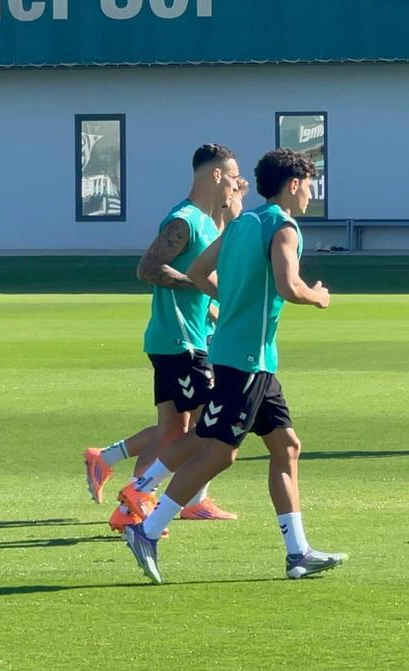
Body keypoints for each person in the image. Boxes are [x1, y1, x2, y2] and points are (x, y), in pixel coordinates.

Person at [121, 148, 348, 584]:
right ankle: (146, 530)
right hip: (246, 360)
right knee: (220, 452)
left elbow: (202, 271)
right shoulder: (283, 227)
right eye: (310, 187)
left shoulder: (243, 222)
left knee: (286, 446)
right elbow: (289, 284)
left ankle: (297, 552)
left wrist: (233, 303)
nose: (311, 196)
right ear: (294, 184)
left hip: (250, 358)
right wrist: (317, 296)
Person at [83, 144, 244, 532]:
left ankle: (130, 506)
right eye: (233, 176)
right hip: (179, 343)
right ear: (216, 175)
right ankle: (173, 498)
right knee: (212, 426)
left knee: (173, 431)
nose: (238, 184)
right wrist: (200, 285)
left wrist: (213, 308)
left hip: (182, 338)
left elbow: (196, 281)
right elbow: (148, 268)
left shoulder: (206, 222)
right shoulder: (184, 221)